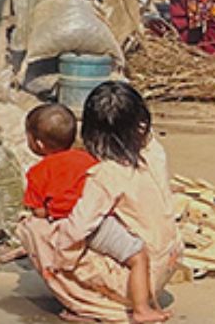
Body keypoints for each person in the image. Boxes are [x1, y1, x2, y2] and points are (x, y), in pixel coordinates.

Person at [17, 82, 182, 323]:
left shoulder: (105, 174)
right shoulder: (153, 152)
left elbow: (76, 230)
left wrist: (55, 258)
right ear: (141, 123)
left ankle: (98, 304)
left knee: (34, 229)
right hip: (169, 258)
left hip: (143, 273)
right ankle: (136, 301)